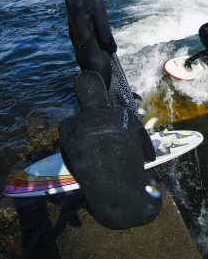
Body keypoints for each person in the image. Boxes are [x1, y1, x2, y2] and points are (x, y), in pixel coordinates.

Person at [58, 70, 161, 230]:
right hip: (151, 209)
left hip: (108, 219)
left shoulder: (65, 128)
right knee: (150, 170)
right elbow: (150, 156)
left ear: (78, 98)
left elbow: (75, 172)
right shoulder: (126, 115)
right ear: (104, 93)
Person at [65, 0, 117, 89]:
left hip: (81, 57)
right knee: (103, 96)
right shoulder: (96, 1)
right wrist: (114, 48)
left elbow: (72, 28)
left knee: (90, 93)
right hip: (98, 62)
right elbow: (105, 37)